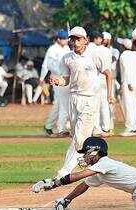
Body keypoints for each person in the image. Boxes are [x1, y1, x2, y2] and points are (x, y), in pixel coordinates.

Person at [33, 26, 114, 187]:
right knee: (77, 137)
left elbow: (108, 74)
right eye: (73, 39)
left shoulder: (95, 55)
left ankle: (64, 172)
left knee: (79, 137)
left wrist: (109, 94)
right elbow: (66, 80)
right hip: (74, 99)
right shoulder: (67, 58)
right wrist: (58, 81)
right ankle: (96, 166)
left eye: (78, 39)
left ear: (85, 40)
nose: (75, 42)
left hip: (90, 99)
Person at [38, 30, 71, 136]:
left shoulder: (67, 48)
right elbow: (45, 65)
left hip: (66, 78)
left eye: (66, 38)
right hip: (56, 78)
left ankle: (50, 126)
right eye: (64, 39)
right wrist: (42, 78)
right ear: (58, 39)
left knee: (61, 103)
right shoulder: (52, 49)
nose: (66, 40)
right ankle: (58, 128)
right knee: (60, 103)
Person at [118, 38, 136, 137]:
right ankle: (134, 127)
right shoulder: (134, 55)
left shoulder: (124, 55)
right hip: (134, 81)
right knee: (134, 104)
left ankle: (130, 128)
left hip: (128, 82)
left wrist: (129, 82)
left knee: (128, 105)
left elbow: (127, 70)